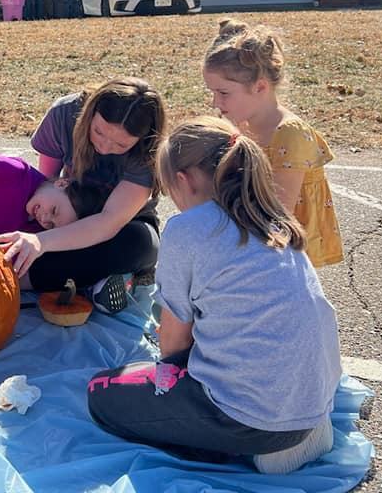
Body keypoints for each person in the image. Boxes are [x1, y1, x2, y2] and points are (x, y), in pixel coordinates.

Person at [87, 118, 342, 474]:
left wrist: (164, 376)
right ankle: (294, 435)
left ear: (183, 180)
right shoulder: (274, 221)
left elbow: (174, 340)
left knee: (102, 393)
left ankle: (240, 449)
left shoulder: (187, 229)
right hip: (313, 400)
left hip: (250, 419)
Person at [0, 78, 166, 314]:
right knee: (15, 217)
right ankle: (96, 279)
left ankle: (16, 277)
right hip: (68, 210)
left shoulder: (150, 151)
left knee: (141, 245)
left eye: (120, 144)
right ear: (90, 113)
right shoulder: (65, 113)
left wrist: (43, 242)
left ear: (142, 140)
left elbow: (108, 222)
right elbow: (45, 183)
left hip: (123, 224)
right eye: (98, 132)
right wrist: (37, 231)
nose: (104, 146)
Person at [203, 18, 344, 267]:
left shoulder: (290, 134)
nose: (215, 103)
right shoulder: (241, 123)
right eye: (212, 93)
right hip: (254, 236)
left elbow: (280, 214)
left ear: (260, 86)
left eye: (223, 93)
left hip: (286, 251)